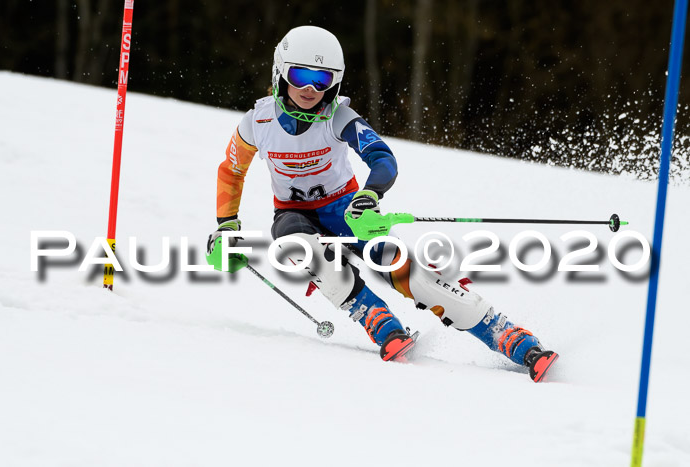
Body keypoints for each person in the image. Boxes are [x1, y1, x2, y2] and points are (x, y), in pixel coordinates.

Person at [207, 26, 558, 380]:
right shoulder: (258, 122)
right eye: (301, 76)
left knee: (410, 275)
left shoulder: (338, 117)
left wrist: (369, 194)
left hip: (346, 209)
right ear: (280, 72)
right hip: (294, 214)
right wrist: (226, 226)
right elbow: (231, 171)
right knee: (299, 245)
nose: (311, 89)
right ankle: (378, 319)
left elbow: (382, 158)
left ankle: (509, 336)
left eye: (322, 78)